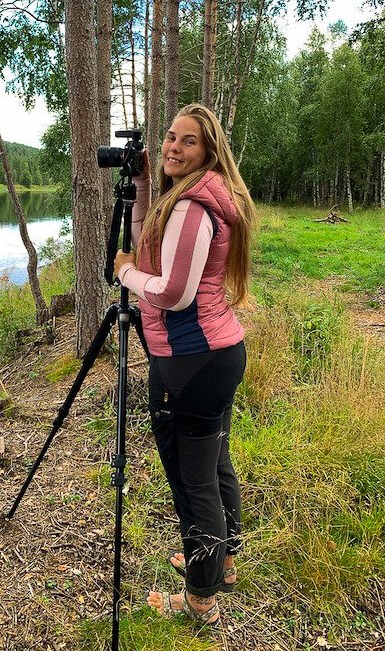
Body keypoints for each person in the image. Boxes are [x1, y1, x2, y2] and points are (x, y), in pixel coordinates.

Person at [113, 103, 256, 627]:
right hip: (213, 357)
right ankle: (223, 561)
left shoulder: (194, 209)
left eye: (187, 141)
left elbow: (170, 291)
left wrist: (126, 274)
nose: (173, 146)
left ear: (209, 151)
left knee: (193, 481)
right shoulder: (192, 199)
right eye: (170, 136)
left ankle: (201, 599)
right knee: (214, 463)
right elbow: (153, 240)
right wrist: (146, 189)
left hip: (191, 363)